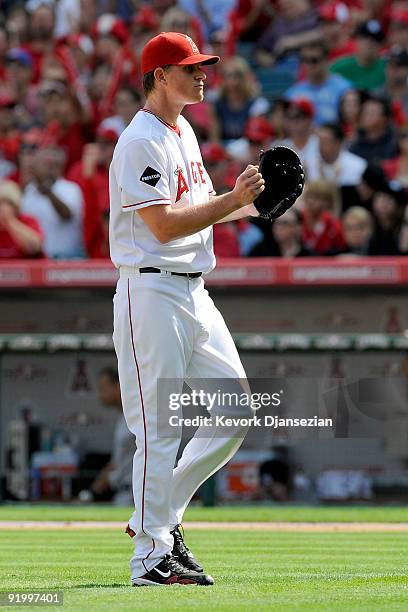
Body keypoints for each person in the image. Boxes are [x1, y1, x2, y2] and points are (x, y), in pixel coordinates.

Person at [109, 32, 265, 587]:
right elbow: (163, 225)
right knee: (158, 427)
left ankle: (157, 521)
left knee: (236, 411)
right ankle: (149, 559)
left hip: (194, 288)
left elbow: (194, 210)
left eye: (203, 66)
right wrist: (233, 200)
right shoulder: (139, 140)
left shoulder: (186, 131)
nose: (202, 75)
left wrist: (244, 210)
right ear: (158, 76)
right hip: (149, 290)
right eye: (190, 67)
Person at [78, 367, 134, 506]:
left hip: (139, 496)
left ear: (118, 386)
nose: (100, 394)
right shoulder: (123, 418)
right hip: (124, 494)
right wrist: (91, 492)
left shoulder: (140, 415)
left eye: (103, 388)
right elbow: (116, 463)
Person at [21, 145, 84, 258]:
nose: (51, 167)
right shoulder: (29, 191)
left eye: (54, 164)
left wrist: (49, 194)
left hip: (67, 259)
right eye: (46, 163)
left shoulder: (70, 188)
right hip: (38, 259)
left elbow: (67, 215)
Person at [285, 40, 351, 125]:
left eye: (314, 60)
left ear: (326, 61)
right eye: (304, 60)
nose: (308, 65)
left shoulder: (344, 89)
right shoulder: (292, 94)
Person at [330, 20, 386, 91]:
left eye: (376, 39)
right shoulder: (340, 67)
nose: (370, 42)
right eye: (365, 37)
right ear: (356, 40)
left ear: (382, 44)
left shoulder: (388, 69)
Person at [306, 122, 367, 187]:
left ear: (338, 143)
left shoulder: (358, 166)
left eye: (325, 142)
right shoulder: (309, 166)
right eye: (319, 141)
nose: (320, 146)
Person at [0, 179, 43, 258]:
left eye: (7, 203)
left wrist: (9, 221)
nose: (2, 208)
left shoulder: (28, 221)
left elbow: (34, 248)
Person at [349, 96, 399, 164]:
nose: (365, 116)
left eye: (372, 113)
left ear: (384, 118)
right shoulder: (354, 141)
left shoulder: (395, 143)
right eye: (364, 112)